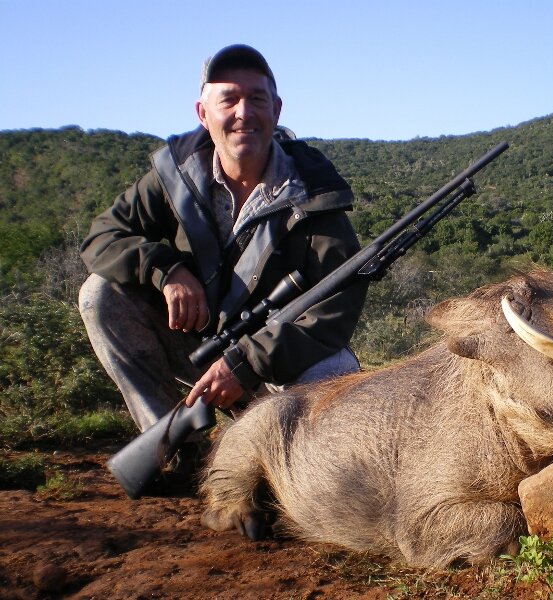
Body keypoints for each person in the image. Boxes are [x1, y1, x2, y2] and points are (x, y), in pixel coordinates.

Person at [79, 44, 367, 435]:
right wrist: (166, 270)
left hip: (270, 363)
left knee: (335, 371)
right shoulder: (173, 176)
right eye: (228, 99)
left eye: (256, 99)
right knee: (100, 295)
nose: (243, 113)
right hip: (195, 347)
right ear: (203, 114)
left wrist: (249, 362)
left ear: (276, 110)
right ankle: (174, 445)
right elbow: (102, 238)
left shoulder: (315, 193)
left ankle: (287, 468)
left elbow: (335, 310)